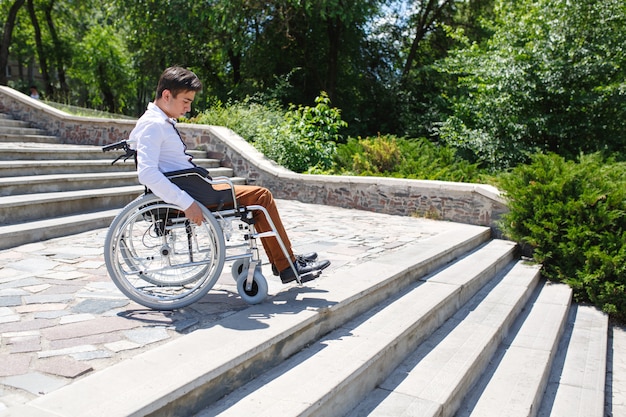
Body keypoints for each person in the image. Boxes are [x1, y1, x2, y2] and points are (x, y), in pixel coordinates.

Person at [129, 66, 330, 283]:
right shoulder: (153, 124)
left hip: (196, 188)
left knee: (259, 201)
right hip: (194, 194)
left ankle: (286, 262)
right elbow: (147, 173)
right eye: (185, 101)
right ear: (167, 95)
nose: (188, 108)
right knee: (262, 197)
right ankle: (287, 264)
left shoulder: (158, 122)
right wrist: (185, 203)